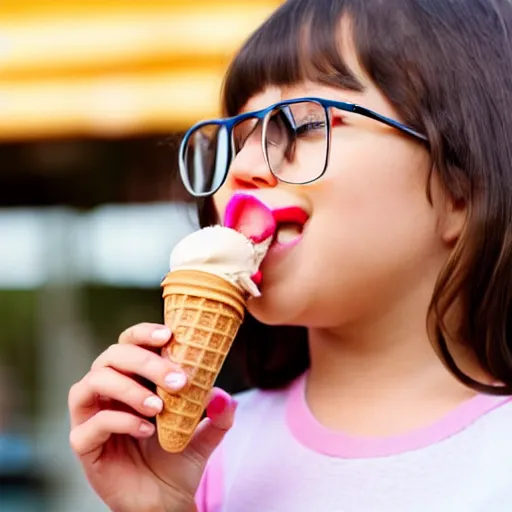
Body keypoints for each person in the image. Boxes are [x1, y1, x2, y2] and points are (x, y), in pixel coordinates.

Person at [68, 0, 512, 510]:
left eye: (304, 123)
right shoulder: (201, 456)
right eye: (240, 134)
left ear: (462, 189)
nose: (247, 164)